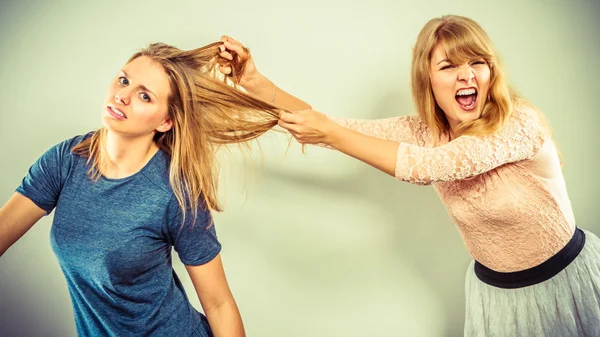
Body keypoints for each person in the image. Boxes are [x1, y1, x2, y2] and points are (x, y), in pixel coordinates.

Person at [219, 16, 600, 336]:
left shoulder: (519, 122)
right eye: (448, 66)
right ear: (428, 79)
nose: (465, 75)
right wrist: (254, 82)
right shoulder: (423, 130)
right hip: (496, 296)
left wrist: (331, 134)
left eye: (476, 63)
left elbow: (430, 167)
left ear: (491, 70)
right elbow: (332, 127)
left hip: (564, 284)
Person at [0, 40, 308, 337]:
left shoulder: (175, 193)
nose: (122, 96)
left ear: (166, 122)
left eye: (145, 96)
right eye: (123, 80)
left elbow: (218, 303)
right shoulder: (65, 162)